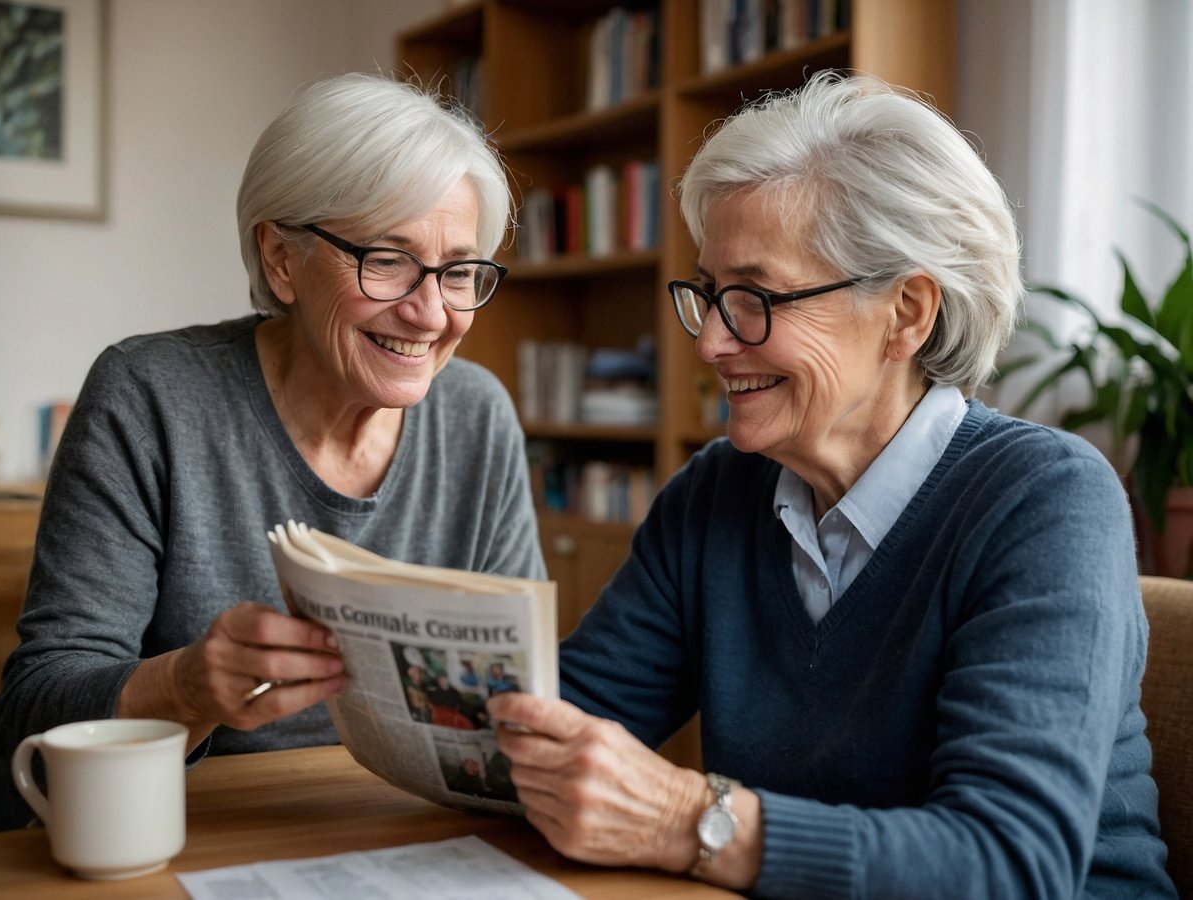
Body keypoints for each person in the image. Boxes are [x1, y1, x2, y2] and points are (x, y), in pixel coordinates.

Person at [486, 71, 1177, 898]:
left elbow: (1009, 865)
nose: (709, 343)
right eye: (707, 296)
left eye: (752, 297)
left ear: (907, 312)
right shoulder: (716, 495)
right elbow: (556, 738)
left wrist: (689, 820)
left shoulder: (1045, 500)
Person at [0, 72, 545, 830]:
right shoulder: (148, 395)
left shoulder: (477, 415)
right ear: (282, 260)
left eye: (458, 270)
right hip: (186, 834)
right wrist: (185, 687)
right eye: (386, 259)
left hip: (417, 835)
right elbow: (29, 719)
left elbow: (523, 706)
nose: (430, 312)